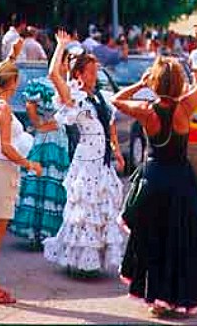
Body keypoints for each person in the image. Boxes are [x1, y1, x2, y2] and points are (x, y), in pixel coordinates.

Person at [112, 25, 197, 317]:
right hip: (181, 179)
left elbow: (116, 101)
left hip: (153, 179)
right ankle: (179, 299)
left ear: (156, 83)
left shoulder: (147, 110)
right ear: (179, 82)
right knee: (182, 240)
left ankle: (157, 300)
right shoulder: (186, 107)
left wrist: (139, 84)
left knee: (154, 239)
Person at [43, 30, 125, 275]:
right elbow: (52, 74)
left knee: (100, 210)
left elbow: (109, 126)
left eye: (95, 71)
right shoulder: (74, 97)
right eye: (90, 72)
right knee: (84, 212)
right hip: (85, 162)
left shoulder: (99, 97)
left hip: (101, 161)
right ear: (78, 74)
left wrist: (117, 151)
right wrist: (61, 46)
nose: (94, 75)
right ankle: (79, 262)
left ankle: (94, 260)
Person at [0, 39, 42, 304]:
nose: (18, 87)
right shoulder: (2, 108)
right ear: (11, 83)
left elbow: (2, 72)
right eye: (17, 82)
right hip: (1, 172)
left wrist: (13, 56)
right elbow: (6, 147)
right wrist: (30, 164)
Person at [8, 73, 70, 249]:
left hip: (59, 138)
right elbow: (30, 105)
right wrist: (39, 125)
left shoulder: (67, 84)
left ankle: (48, 232)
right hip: (46, 138)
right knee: (43, 178)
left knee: (54, 180)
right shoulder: (41, 83)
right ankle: (38, 231)